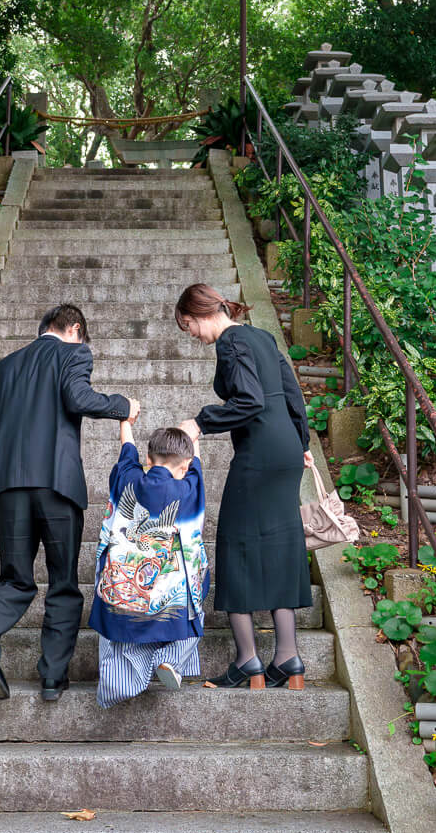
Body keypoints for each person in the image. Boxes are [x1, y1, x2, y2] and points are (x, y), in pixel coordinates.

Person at [0, 304, 139, 701]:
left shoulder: (4, 367)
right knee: (62, 583)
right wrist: (122, 406)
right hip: (57, 487)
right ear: (75, 328)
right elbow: (78, 398)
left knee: (15, 578)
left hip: (8, 489)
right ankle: (53, 679)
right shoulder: (74, 353)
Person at [175, 282, 313, 690]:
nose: (194, 337)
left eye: (188, 327)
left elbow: (249, 401)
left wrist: (200, 422)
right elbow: (292, 394)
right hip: (286, 449)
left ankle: (248, 660)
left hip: (260, 453)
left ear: (198, 314)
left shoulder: (231, 343)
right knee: (283, 545)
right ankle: (288, 658)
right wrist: (302, 444)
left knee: (235, 544)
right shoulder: (262, 336)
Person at [89, 421, 209, 707]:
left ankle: (119, 685)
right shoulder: (188, 488)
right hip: (170, 590)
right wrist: (194, 435)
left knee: (120, 630)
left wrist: (126, 422)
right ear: (185, 465)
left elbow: (126, 450)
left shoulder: (128, 478)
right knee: (195, 604)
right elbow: (196, 466)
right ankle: (168, 660)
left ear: (148, 458)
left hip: (123, 588)